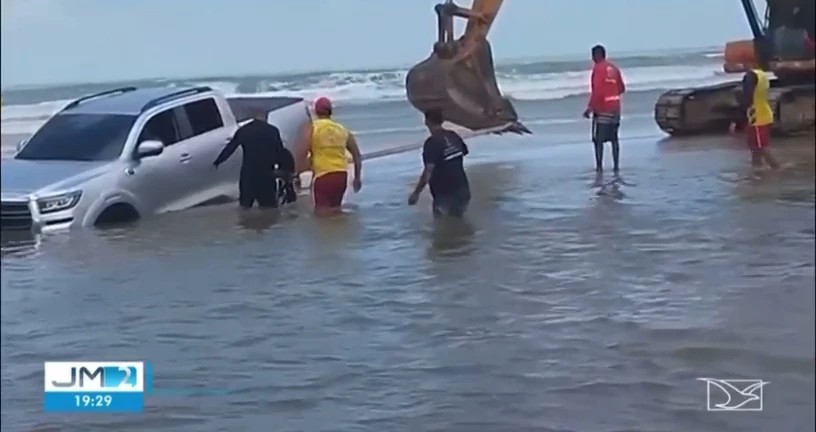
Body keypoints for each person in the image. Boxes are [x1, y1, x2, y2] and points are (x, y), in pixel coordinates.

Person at [213, 109, 294, 209]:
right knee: (269, 209)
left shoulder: (244, 130)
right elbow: (279, 152)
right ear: (265, 117)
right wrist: (284, 171)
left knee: (245, 208)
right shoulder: (273, 130)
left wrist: (218, 161)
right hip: (267, 176)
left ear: (253, 117)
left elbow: (230, 148)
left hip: (248, 176)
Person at [296, 97, 363, 214]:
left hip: (323, 177)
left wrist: (297, 173)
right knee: (336, 211)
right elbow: (357, 155)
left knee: (321, 215)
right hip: (341, 176)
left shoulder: (312, 128)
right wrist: (357, 178)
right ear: (331, 111)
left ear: (315, 111)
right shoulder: (342, 129)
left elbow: (301, 153)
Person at [408, 109, 471, 218]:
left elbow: (428, 172)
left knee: (441, 224)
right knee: (458, 221)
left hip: (444, 192)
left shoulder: (431, 143)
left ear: (427, 122)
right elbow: (464, 152)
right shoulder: (453, 136)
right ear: (442, 120)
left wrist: (416, 193)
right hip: (463, 189)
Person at [583, 44, 625, 172]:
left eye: (593, 56)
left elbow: (597, 91)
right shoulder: (613, 68)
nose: (592, 58)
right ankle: (616, 166)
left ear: (597, 55)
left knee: (598, 140)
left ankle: (599, 167)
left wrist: (590, 108)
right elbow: (621, 88)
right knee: (614, 138)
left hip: (603, 108)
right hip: (616, 108)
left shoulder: (598, 69)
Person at [739, 68, 780, 170]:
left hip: (757, 118)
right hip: (761, 115)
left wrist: (737, 119)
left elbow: (747, 98)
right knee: (755, 148)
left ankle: (776, 168)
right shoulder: (761, 75)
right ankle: (758, 169)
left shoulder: (751, 78)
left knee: (761, 147)